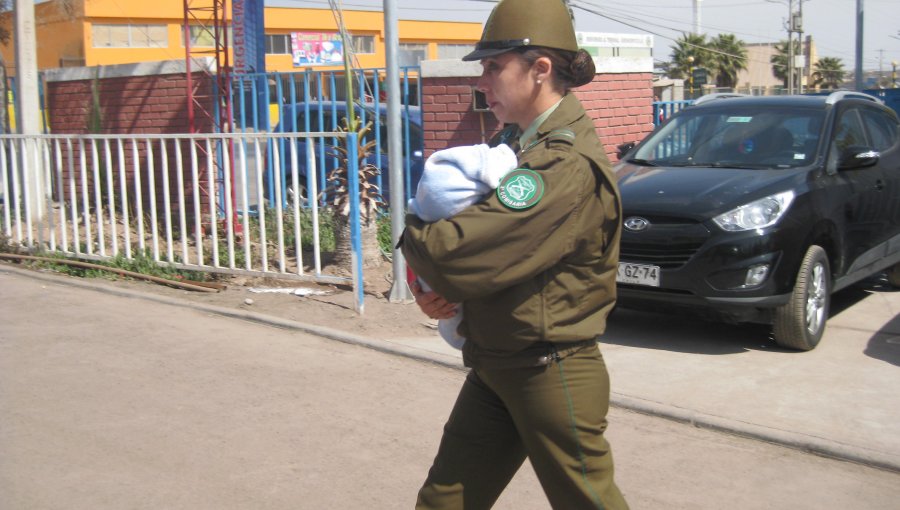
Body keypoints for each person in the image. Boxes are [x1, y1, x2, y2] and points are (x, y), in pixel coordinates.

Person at [400, 0, 630, 508]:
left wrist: (415, 230)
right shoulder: (517, 144)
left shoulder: (561, 164)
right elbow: (464, 263)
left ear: (540, 69)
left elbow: (455, 254)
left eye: (493, 66)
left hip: (549, 372)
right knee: (444, 500)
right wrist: (427, 286)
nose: (480, 82)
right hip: (496, 361)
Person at [407, 143, 519, 349]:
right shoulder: (502, 145)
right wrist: (425, 296)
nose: (490, 108)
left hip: (509, 337)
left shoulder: (549, 155)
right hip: (487, 339)